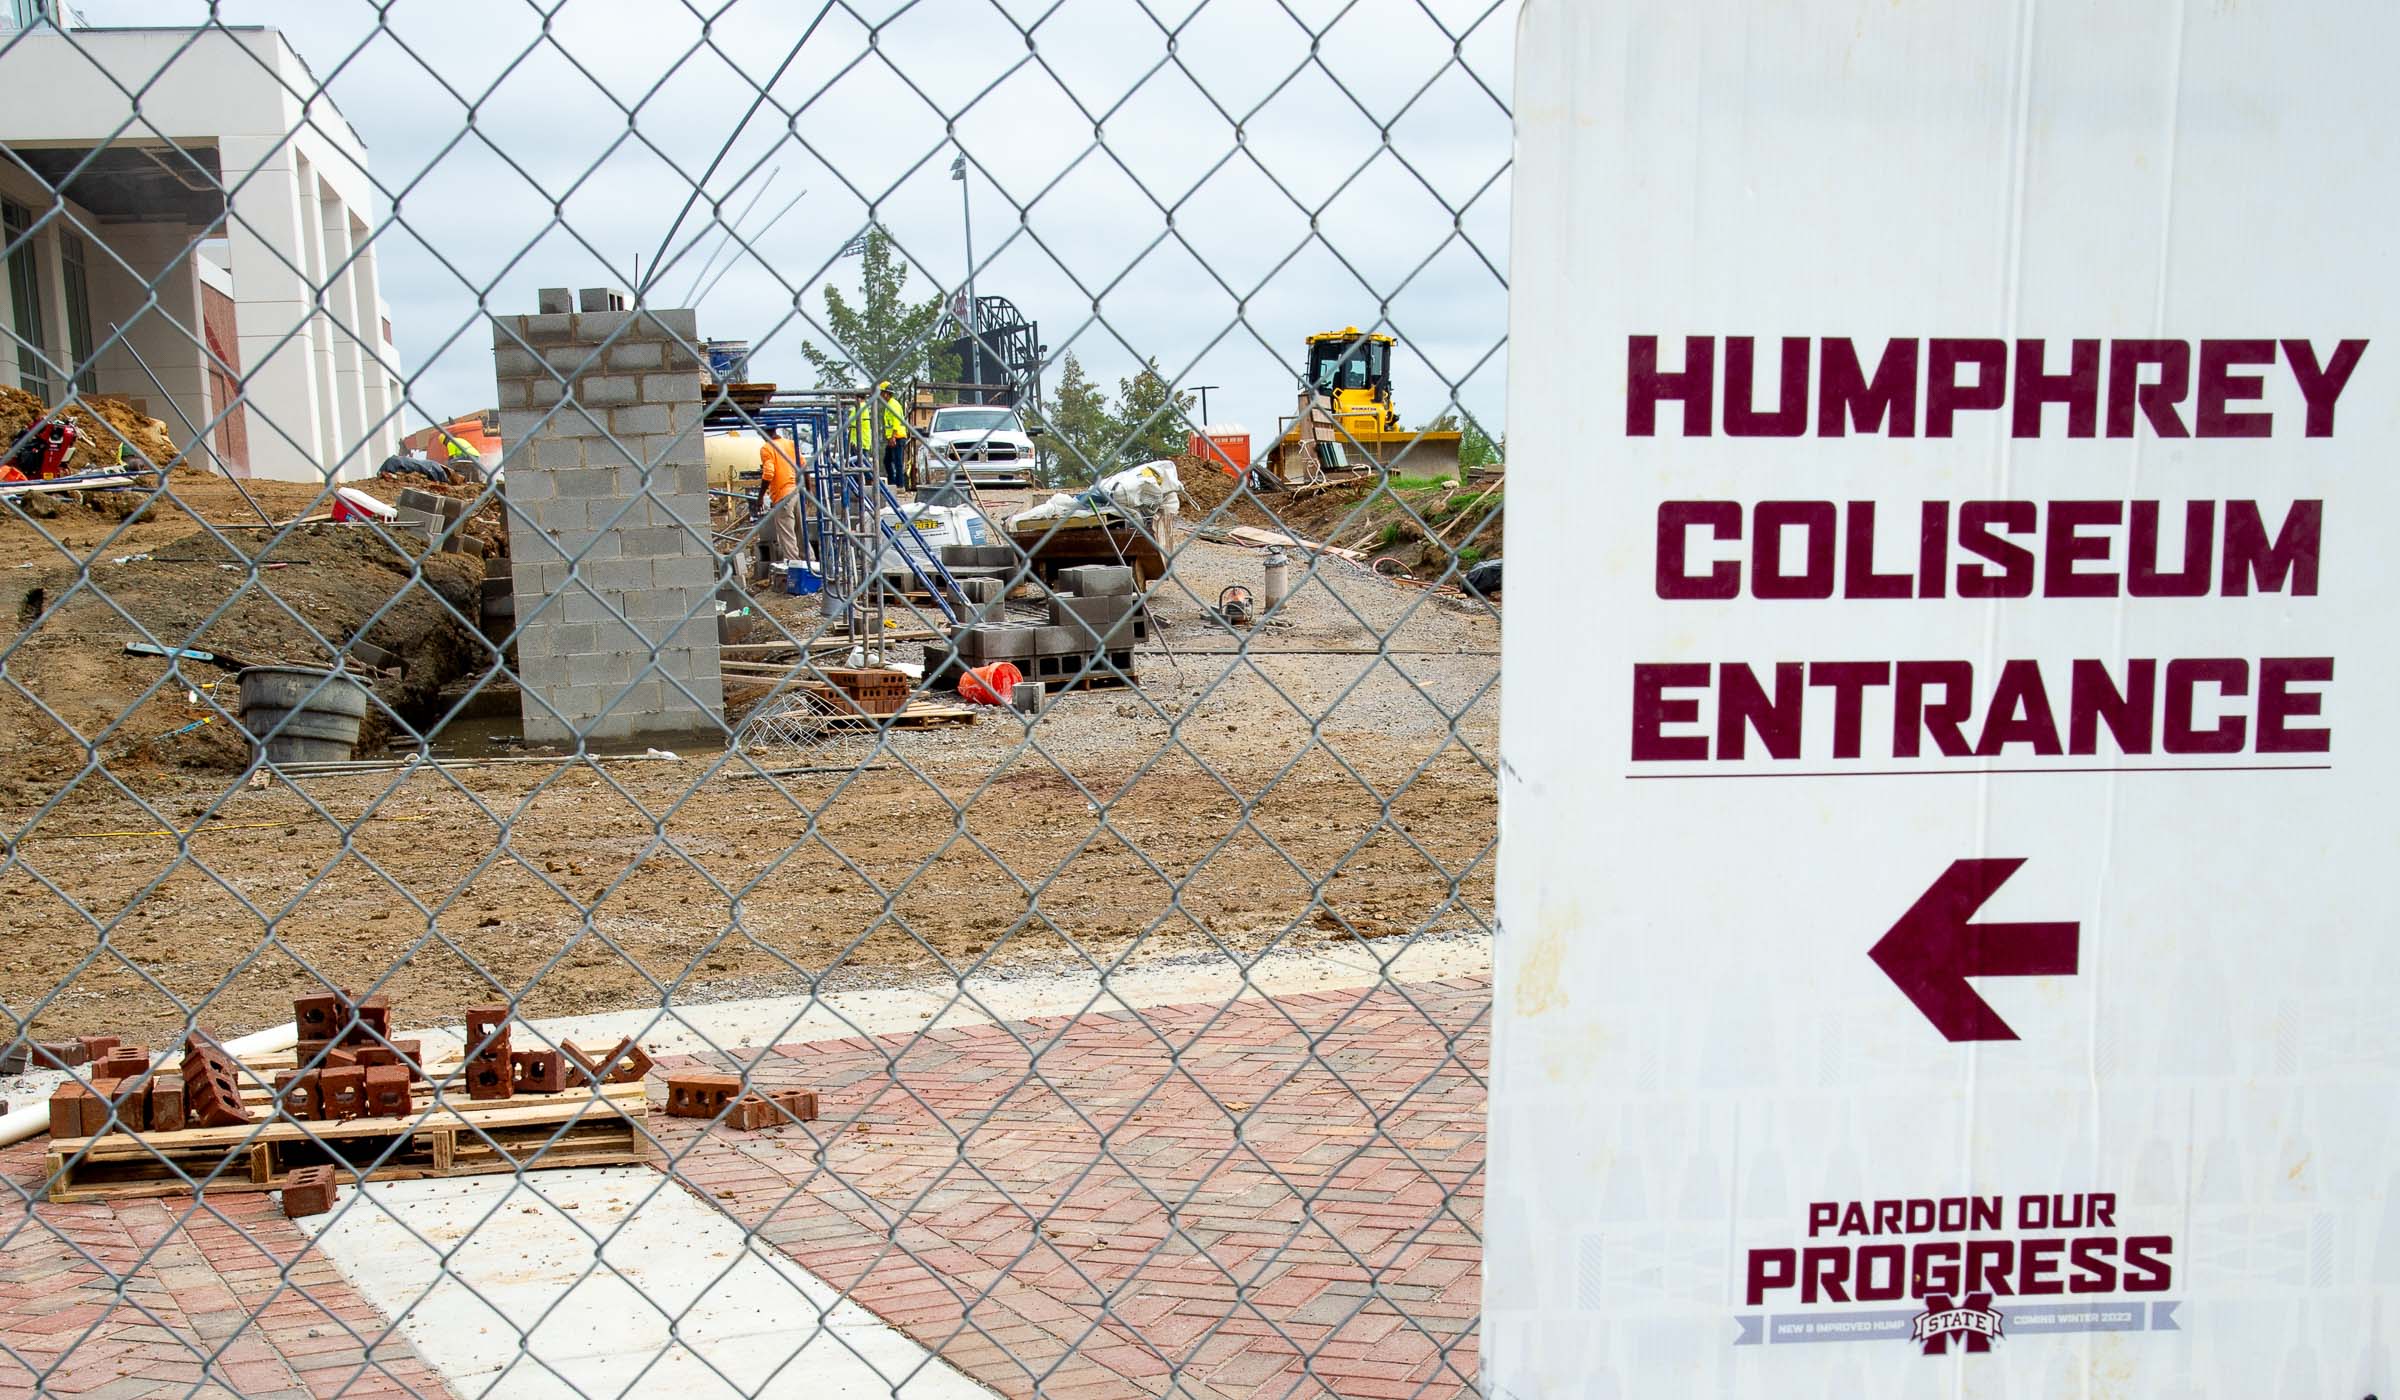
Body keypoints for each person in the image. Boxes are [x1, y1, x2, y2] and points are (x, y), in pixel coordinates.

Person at [756, 426, 803, 570]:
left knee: (787, 536)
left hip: (782, 495)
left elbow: (769, 473)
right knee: (801, 532)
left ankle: (794, 569)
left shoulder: (767, 448)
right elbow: (803, 465)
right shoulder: (790, 444)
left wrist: (761, 496)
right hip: (796, 491)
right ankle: (811, 563)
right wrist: (807, 491)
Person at [849, 381, 911, 488]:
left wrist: (893, 437)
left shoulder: (893, 405)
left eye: (882, 393)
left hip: (897, 437)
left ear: (887, 393)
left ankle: (899, 485)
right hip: (893, 438)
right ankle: (892, 483)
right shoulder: (889, 405)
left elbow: (896, 421)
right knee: (887, 461)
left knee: (897, 462)